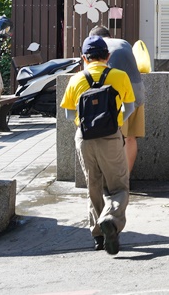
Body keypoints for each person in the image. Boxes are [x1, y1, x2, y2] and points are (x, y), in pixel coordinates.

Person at [59, 36, 137, 255]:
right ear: (108, 56)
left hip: (84, 138)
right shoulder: (119, 76)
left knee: (94, 185)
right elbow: (129, 108)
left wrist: (86, 124)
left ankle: (98, 237)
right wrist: (115, 123)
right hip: (111, 137)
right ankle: (110, 219)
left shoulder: (76, 80)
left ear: (84, 58)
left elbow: (68, 114)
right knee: (118, 186)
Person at [89, 26, 146, 175]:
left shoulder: (96, 47)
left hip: (118, 95)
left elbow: (91, 73)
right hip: (138, 92)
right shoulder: (124, 42)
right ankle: (125, 179)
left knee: (113, 138)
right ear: (109, 35)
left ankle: (114, 179)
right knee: (131, 138)